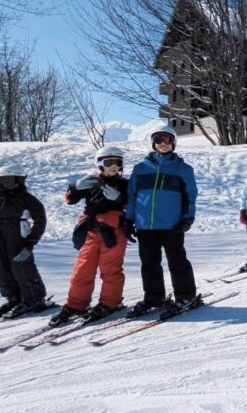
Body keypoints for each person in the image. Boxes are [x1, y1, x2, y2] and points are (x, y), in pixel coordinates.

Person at [124, 125, 200, 318]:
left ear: (173, 143)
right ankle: (154, 297)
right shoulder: (140, 169)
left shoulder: (183, 169)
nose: (163, 144)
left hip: (171, 225)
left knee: (177, 261)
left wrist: (187, 218)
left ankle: (186, 296)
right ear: (153, 143)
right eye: (158, 140)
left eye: (166, 140)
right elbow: (132, 196)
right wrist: (129, 219)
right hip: (145, 225)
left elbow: (190, 196)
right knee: (149, 263)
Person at [50, 147, 131, 325]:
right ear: (100, 163)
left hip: (114, 232)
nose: (114, 166)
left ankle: (110, 303)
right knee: (82, 270)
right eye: (109, 163)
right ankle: (76, 304)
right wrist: (75, 187)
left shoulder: (126, 184)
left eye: (118, 163)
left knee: (110, 270)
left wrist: (120, 200)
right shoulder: (92, 181)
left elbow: (135, 205)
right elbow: (71, 200)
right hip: (91, 231)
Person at [0, 165, 49, 321]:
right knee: (0, 269)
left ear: (20, 180)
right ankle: (13, 298)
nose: (9, 183)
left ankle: (34, 299)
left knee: (21, 267)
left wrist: (30, 243)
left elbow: (40, 220)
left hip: (17, 235)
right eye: (4, 180)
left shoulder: (27, 199)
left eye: (13, 180)